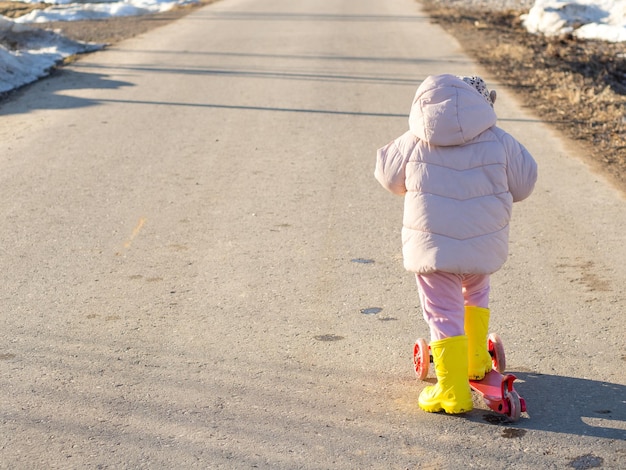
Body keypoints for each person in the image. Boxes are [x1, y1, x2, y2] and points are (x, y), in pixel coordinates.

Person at [374, 74, 537, 414]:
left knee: (442, 311)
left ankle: (451, 391)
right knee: (475, 293)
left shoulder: (414, 139)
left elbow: (388, 177)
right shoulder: (500, 140)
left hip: (433, 245)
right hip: (482, 241)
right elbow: (523, 185)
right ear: (484, 105)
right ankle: (477, 361)